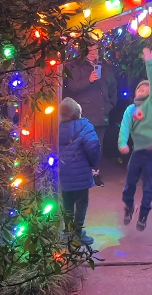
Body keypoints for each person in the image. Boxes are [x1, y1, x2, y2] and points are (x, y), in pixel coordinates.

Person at [118, 47, 152, 231]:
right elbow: (125, 127)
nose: (142, 88)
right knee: (130, 183)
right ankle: (129, 206)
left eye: (146, 87)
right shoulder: (130, 110)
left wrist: (150, 63)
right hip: (138, 152)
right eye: (139, 87)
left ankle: (144, 214)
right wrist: (122, 143)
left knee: (149, 185)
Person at [62, 45, 117, 187]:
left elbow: (113, 87)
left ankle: (94, 173)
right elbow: (71, 86)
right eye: (90, 50)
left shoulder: (105, 66)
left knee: (97, 144)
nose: (93, 53)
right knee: (80, 143)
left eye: (96, 50)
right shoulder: (76, 65)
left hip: (101, 113)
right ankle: (79, 174)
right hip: (83, 113)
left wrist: (109, 104)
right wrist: (89, 80)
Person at [58, 97, 101, 245]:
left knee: (67, 202)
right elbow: (93, 147)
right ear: (79, 112)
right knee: (82, 203)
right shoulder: (85, 126)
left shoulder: (57, 127)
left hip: (64, 174)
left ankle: (67, 232)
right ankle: (78, 232)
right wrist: (93, 164)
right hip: (81, 174)